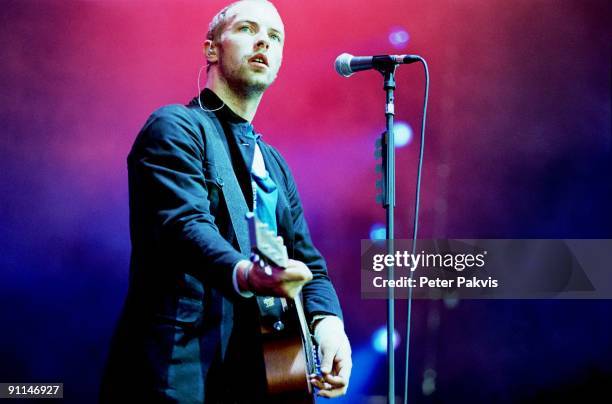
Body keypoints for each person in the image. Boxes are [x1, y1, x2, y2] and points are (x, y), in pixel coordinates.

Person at [100, 1, 351, 403]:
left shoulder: (273, 164)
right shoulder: (176, 127)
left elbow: (310, 263)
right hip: (180, 371)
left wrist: (328, 326)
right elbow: (184, 225)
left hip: (258, 378)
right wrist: (246, 274)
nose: (262, 43)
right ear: (211, 49)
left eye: (274, 37)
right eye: (248, 29)